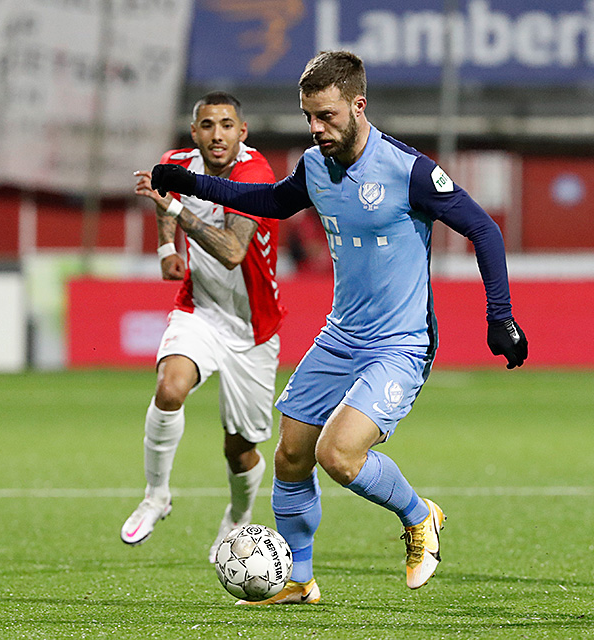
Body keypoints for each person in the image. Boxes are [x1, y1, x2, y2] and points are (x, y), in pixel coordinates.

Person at [151, 51, 528, 604]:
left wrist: (501, 316)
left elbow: (484, 229)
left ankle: (420, 515)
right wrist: (190, 184)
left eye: (326, 115)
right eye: (309, 116)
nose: (316, 128)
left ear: (358, 105)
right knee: (290, 455)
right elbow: (270, 202)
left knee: (338, 456)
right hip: (341, 336)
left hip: (400, 343)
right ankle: (300, 578)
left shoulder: (408, 170)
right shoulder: (316, 165)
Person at [122, 91, 283, 564]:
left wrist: (174, 213)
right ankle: (156, 496)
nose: (217, 134)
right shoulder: (175, 161)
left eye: (227, 125)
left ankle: (238, 514)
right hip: (200, 311)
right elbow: (161, 194)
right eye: (208, 125)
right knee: (169, 389)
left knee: (240, 449)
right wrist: (165, 250)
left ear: (243, 132)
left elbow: (233, 250)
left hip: (253, 327)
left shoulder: (255, 175)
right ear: (194, 132)